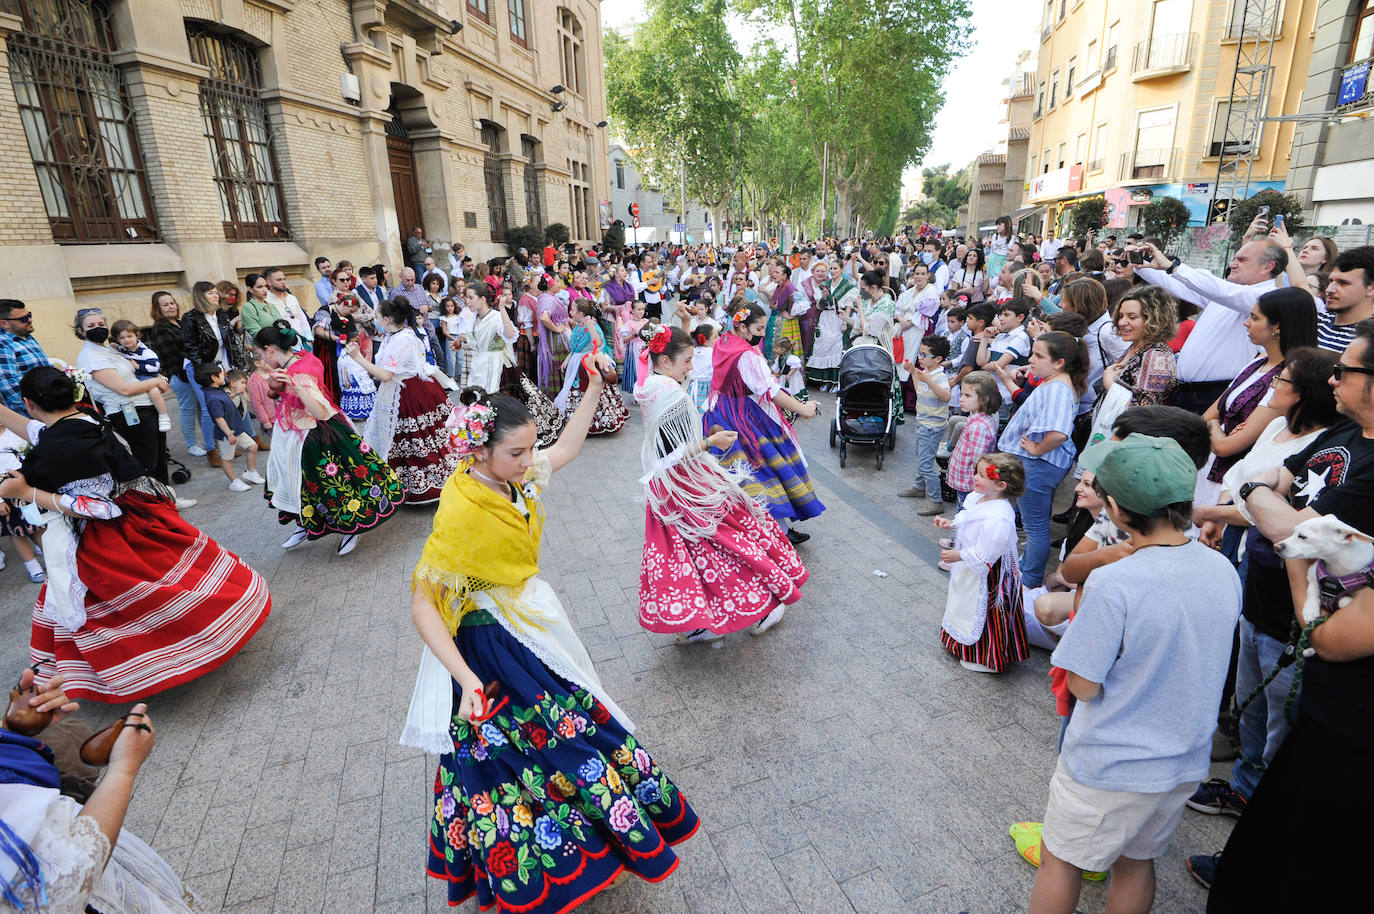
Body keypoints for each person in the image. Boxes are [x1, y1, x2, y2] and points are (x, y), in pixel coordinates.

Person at [402, 376, 699, 911]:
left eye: (529, 447)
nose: (529, 459)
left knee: (561, 734)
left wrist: (592, 388)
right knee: (531, 748)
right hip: (489, 640)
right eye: (517, 452)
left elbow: (565, 449)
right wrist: (468, 680)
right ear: (480, 449)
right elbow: (424, 606)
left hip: (526, 621)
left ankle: (590, 848)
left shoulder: (512, 477)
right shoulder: (461, 510)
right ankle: (557, 867)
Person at [1026, 434, 1240, 914]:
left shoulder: (1115, 581)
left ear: (1117, 510)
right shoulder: (1221, 568)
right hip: (1181, 760)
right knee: (1137, 863)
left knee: (1061, 861)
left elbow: (1083, 684)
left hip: (1111, 762)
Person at [0, 366, 270, 700]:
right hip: (136, 512)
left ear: (28, 402)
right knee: (170, 578)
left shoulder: (58, 445)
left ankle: (163, 657)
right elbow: (38, 430)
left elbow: (99, 508)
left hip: (105, 531)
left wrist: (27, 493)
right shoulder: (83, 418)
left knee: (124, 596)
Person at [632, 325, 807, 644]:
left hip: (667, 486)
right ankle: (766, 600)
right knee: (734, 537)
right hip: (686, 482)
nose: (691, 367)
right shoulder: (670, 391)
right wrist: (710, 441)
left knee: (687, 552)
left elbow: (663, 449)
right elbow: (675, 452)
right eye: (686, 360)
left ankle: (699, 617)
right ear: (666, 361)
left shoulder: (646, 384)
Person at [256, 320, 404, 555]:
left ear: (270, 350)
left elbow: (320, 411)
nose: (262, 360)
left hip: (314, 435)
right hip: (298, 433)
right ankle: (305, 523)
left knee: (330, 484)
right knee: (299, 483)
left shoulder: (298, 372)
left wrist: (295, 387)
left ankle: (350, 527)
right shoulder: (303, 358)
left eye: (261, 354)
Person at [704, 302, 823, 545]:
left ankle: (756, 529)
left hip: (723, 410)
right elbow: (769, 391)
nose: (762, 334)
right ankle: (772, 533)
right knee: (767, 470)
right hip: (746, 415)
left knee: (741, 474)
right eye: (759, 329)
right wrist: (804, 409)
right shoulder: (747, 354)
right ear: (743, 327)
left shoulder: (725, 341)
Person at [1134, 237, 1290, 413]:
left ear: (1267, 267)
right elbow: (1178, 285)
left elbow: (1217, 288)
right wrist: (1136, 263)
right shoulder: (1227, 293)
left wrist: (1172, 266)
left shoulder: (1267, 297)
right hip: (1184, 392)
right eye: (1234, 258)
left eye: (1242, 260)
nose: (1232, 264)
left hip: (1213, 396)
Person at [1195, 287, 1317, 507]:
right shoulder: (1258, 361)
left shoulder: (1287, 377)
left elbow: (1228, 446)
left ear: (1278, 326)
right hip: (1211, 468)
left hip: (1235, 481)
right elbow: (1208, 415)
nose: (1246, 323)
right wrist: (1219, 427)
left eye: (1255, 317)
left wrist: (1216, 425)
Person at [347, 300, 462, 505]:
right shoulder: (397, 334)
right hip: (406, 390)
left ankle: (426, 485)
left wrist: (358, 358)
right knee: (408, 440)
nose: (375, 319)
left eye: (378, 316)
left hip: (409, 393)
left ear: (387, 320)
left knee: (418, 440)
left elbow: (386, 375)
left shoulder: (402, 339)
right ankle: (404, 481)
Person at [999, 331, 1088, 588]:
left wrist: (1037, 449)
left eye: (1038, 356)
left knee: (1035, 527)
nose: (1031, 360)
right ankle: (1026, 574)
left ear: (1059, 362)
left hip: (1039, 464)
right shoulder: (1054, 381)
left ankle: (1028, 582)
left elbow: (1058, 433)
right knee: (1035, 523)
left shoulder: (1058, 387)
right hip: (1036, 463)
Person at [935, 452, 1029, 673]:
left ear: (1000, 485)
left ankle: (987, 658)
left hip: (990, 572)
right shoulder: (981, 498)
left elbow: (987, 553)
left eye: (981, 475)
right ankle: (963, 644)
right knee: (963, 601)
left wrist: (958, 556)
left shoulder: (999, 518)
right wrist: (951, 524)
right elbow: (969, 516)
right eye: (976, 473)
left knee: (984, 609)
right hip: (972, 566)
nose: (975, 477)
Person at [74, 309, 170, 484]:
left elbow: (137, 371)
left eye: (102, 324)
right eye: (91, 325)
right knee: (147, 460)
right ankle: (154, 504)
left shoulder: (110, 349)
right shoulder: (91, 357)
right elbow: (124, 389)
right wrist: (156, 382)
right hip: (129, 411)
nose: (98, 328)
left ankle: (168, 499)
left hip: (146, 405)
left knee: (159, 455)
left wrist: (156, 379)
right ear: (80, 331)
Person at [1086, 287, 1179, 451]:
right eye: (1121, 316)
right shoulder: (1136, 346)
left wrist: (1110, 384)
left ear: (1154, 319)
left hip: (1125, 446)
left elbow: (1143, 413)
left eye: (1132, 317)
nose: (1122, 322)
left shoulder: (1156, 357)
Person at [182, 280, 243, 468]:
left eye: (216, 292)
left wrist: (237, 364)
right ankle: (211, 450)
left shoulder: (221, 315)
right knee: (210, 408)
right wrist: (204, 371)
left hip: (222, 365)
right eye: (210, 293)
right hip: (200, 368)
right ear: (201, 296)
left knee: (233, 401)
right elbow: (190, 347)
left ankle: (238, 440)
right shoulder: (191, 318)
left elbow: (230, 342)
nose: (215, 296)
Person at [143, 291, 205, 458]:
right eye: (165, 304)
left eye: (172, 303)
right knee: (187, 409)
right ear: (158, 309)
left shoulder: (180, 323)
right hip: (179, 375)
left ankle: (207, 440)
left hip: (195, 373)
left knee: (201, 407)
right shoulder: (160, 327)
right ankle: (191, 444)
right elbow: (171, 354)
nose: (171, 307)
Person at [556, 299, 629, 435]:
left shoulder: (592, 325)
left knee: (589, 392)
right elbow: (575, 347)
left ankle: (592, 424)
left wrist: (590, 326)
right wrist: (568, 359)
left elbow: (599, 344)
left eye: (572, 309)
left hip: (588, 363)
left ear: (580, 313)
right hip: (576, 362)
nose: (570, 312)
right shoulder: (578, 326)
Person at [899, 336, 952, 516]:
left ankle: (936, 501)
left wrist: (928, 380)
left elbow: (946, 396)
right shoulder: (927, 372)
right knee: (921, 457)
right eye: (920, 353)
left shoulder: (939, 376)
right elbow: (920, 391)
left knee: (925, 464)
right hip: (923, 423)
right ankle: (919, 486)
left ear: (938, 359)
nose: (920, 357)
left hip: (932, 426)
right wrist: (914, 373)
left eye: (924, 354)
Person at [198, 363, 264, 492]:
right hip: (228, 433)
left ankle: (250, 472)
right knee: (227, 459)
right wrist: (229, 434)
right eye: (222, 374)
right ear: (214, 378)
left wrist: (233, 395)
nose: (225, 376)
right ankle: (234, 481)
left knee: (253, 446)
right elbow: (219, 418)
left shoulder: (216, 391)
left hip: (236, 429)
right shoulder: (213, 397)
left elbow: (224, 403)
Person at [943, 371, 1002, 511]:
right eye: (962, 394)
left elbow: (979, 461)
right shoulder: (976, 418)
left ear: (985, 399)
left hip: (969, 484)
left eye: (967, 395)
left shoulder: (979, 427)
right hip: (968, 482)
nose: (961, 399)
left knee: (965, 512)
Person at [111, 320, 171, 433]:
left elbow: (155, 366)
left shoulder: (145, 352)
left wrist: (139, 366)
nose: (126, 340)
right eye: (122, 338)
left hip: (147, 376)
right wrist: (115, 347)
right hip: (134, 378)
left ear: (137, 335)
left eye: (129, 336)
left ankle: (163, 415)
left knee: (154, 392)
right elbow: (119, 351)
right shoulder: (124, 349)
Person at [464, 284, 517, 394]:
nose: (467, 301)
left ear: (482, 299)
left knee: (489, 397)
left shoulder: (496, 317)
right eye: (466, 298)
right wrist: (460, 345)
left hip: (494, 363)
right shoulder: (472, 318)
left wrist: (502, 309)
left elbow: (509, 334)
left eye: (470, 298)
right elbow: (479, 345)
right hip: (477, 363)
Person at [0, 299, 47, 416]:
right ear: (4, 323)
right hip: (33, 417)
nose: (30, 320)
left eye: (29, 315)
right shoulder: (2, 344)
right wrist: (40, 413)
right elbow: (9, 387)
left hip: (51, 408)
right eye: (23, 318)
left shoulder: (28, 337)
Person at [536, 273, 572, 395]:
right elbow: (544, 318)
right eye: (557, 281)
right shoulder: (549, 299)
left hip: (554, 340)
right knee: (559, 369)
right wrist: (557, 329)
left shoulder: (545, 297)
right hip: (556, 341)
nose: (560, 284)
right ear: (549, 284)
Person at [688, 321, 718, 412]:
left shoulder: (693, 351)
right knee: (706, 412)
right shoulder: (713, 353)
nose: (719, 338)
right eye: (716, 337)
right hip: (707, 389)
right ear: (706, 341)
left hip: (692, 387)